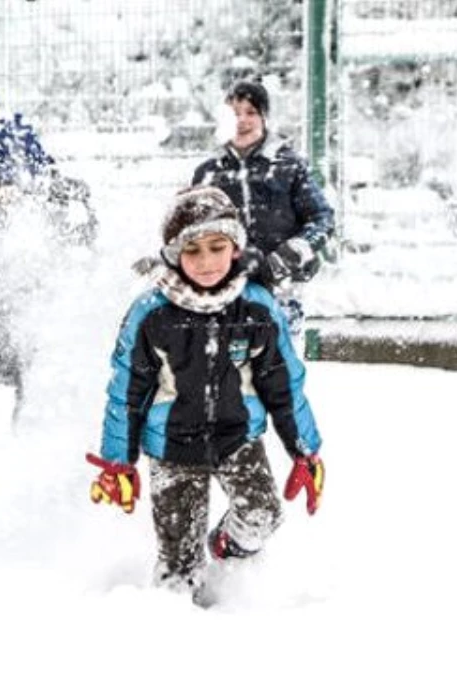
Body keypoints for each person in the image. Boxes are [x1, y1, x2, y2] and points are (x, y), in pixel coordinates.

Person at [86, 186, 324, 604]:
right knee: (179, 568)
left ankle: (226, 554)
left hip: (238, 438)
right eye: (192, 251)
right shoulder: (152, 313)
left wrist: (305, 449)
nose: (207, 261)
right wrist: (118, 461)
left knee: (262, 514)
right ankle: (178, 618)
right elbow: (126, 391)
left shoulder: (256, 307)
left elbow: (284, 384)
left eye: (217, 247)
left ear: (235, 247)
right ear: (174, 255)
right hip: (172, 446)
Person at [0, 113, 97, 426]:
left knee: (41, 377)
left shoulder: (61, 205)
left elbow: (80, 260)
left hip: (45, 316)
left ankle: (36, 435)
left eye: (10, 183)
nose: (1, 192)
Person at [190, 80, 335, 333]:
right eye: (234, 114)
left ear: (264, 117)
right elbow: (191, 230)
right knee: (230, 363)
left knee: (279, 359)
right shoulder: (208, 174)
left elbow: (322, 218)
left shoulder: (289, 166)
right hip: (227, 286)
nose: (242, 121)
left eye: (251, 112)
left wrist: (288, 256)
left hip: (284, 284)